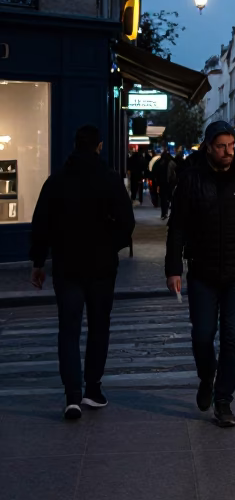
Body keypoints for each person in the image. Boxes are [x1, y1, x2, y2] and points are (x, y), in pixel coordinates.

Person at [165, 120, 235, 428]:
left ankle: (224, 400)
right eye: (221, 146)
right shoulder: (191, 180)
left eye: (231, 146)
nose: (228, 152)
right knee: (202, 335)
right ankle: (206, 377)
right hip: (202, 270)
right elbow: (177, 228)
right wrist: (173, 268)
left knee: (232, 337)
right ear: (208, 147)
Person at [30, 124, 134, 420]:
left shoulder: (57, 181)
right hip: (101, 267)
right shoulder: (110, 180)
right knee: (99, 327)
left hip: (67, 265)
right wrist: (109, 245)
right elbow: (127, 223)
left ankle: (72, 394)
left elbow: (41, 225)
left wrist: (38, 262)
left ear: (75, 146)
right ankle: (93, 389)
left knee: (69, 329)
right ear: (99, 146)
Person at [154, 149, 176, 219]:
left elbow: (156, 173)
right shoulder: (171, 162)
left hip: (162, 183)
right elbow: (175, 172)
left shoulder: (159, 162)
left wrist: (157, 183)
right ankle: (168, 212)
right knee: (169, 198)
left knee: (163, 198)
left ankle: (164, 213)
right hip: (169, 183)